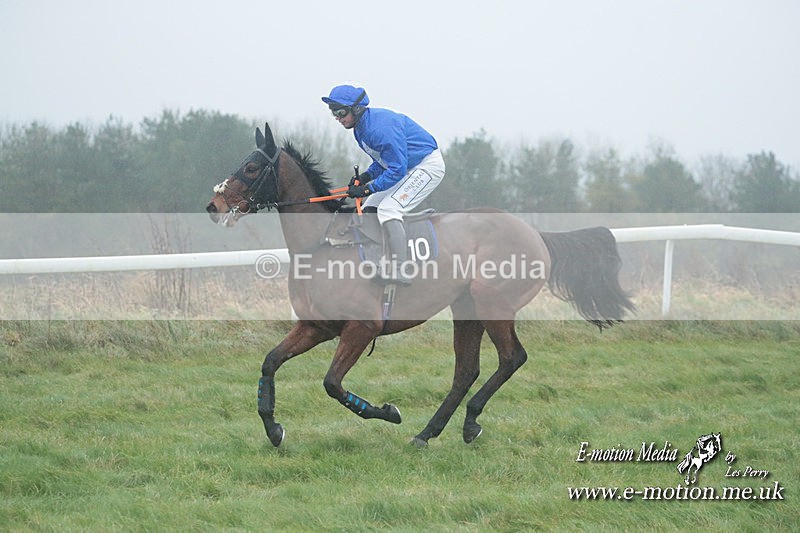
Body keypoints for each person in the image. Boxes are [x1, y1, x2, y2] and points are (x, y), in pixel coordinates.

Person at [322, 84, 445, 286]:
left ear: (357, 109)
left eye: (340, 112)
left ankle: (401, 269)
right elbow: (383, 162)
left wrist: (367, 188)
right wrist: (366, 176)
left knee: (389, 209)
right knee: (370, 207)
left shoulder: (379, 129)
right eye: (333, 112)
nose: (337, 117)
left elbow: (397, 169)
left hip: (426, 166)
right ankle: (378, 261)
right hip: (407, 166)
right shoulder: (360, 129)